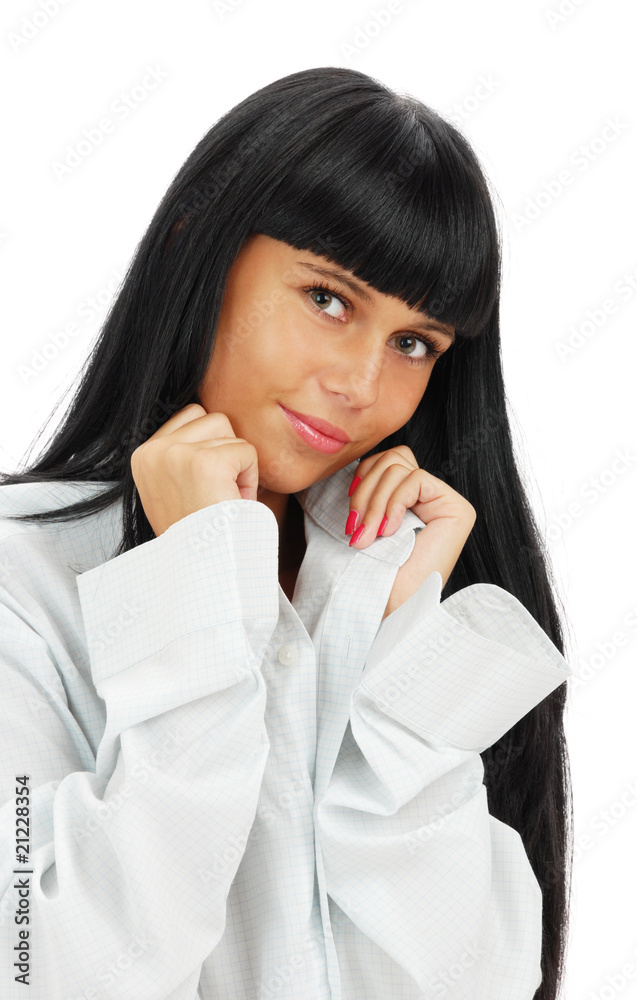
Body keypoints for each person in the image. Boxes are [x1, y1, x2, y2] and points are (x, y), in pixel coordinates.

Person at [0, 67, 573, 999]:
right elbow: (45, 969)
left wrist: (401, 652)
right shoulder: (20, 580)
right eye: (328, 299)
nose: (361, 386)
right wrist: (193, 594)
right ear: (198, 248)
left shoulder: (384, 576)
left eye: (413, 343)